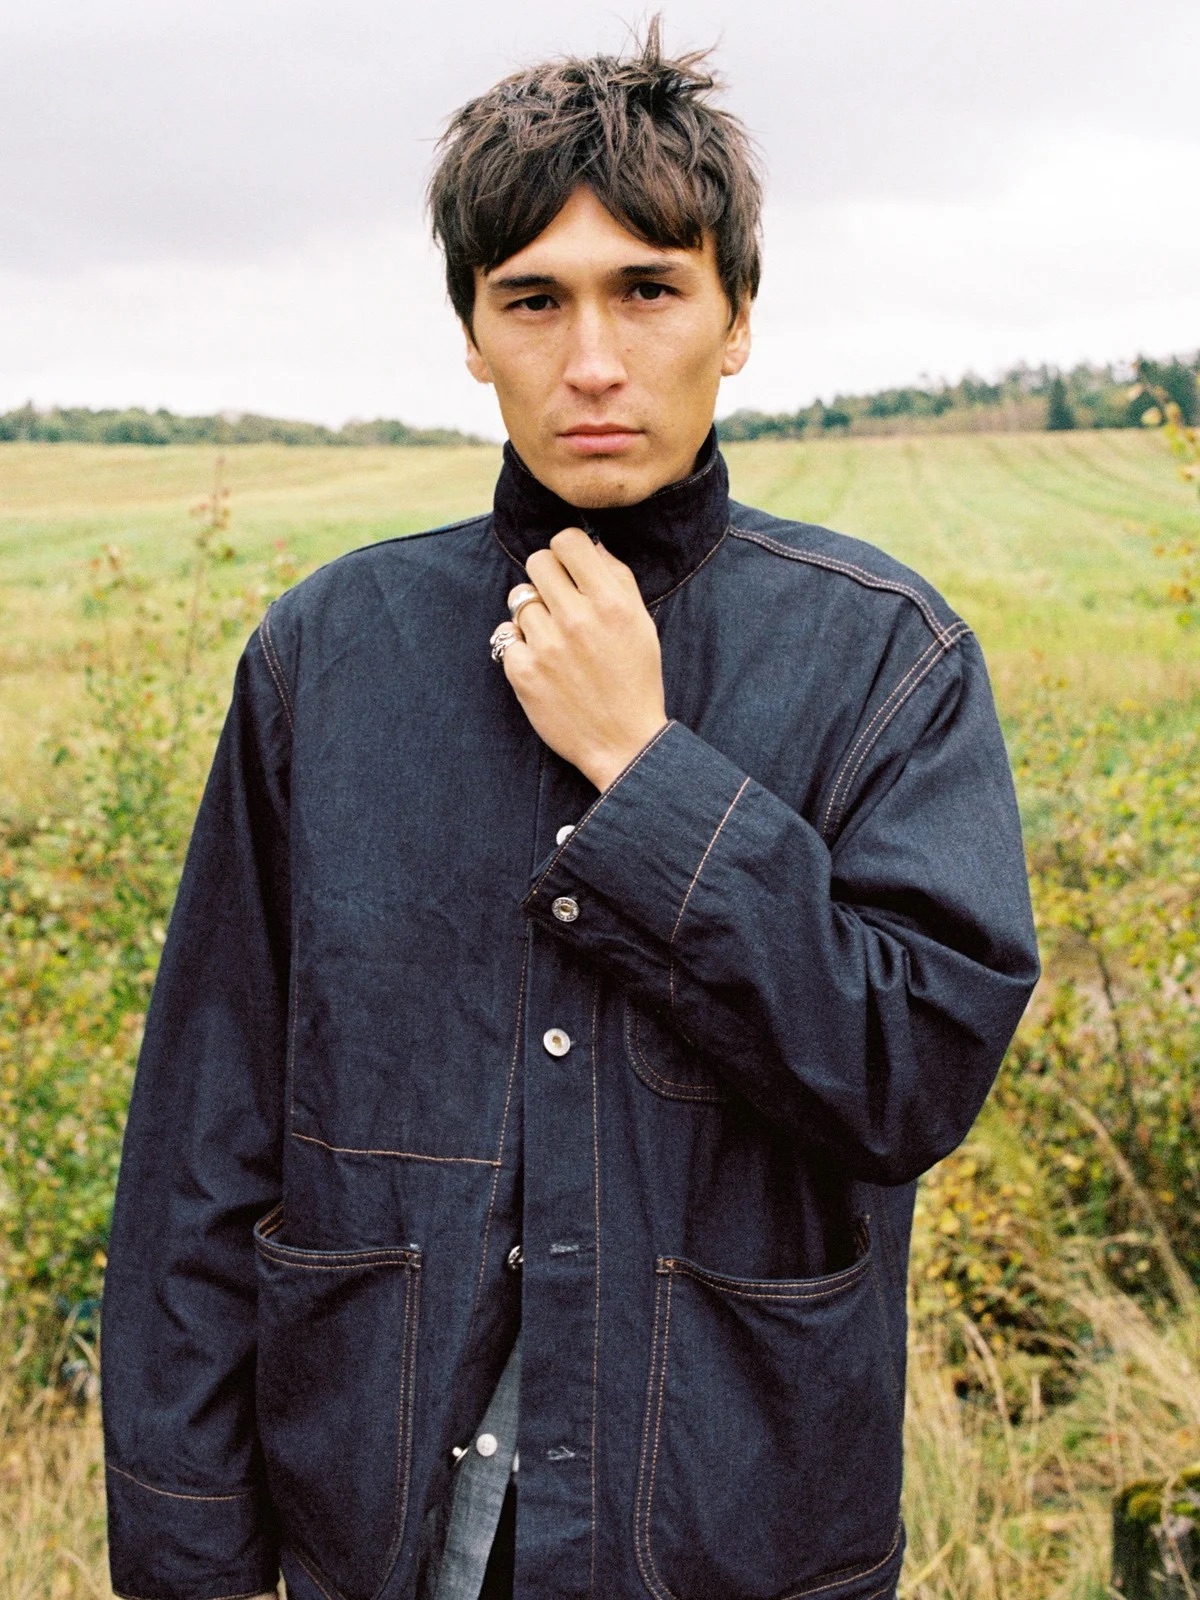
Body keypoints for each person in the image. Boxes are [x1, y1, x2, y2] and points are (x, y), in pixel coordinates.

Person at [101, 21, 1040, 1600]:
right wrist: (187, 1551)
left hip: (733, 1543)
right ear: (472, 332)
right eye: (533, 299)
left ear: (737, 317)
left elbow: (908, 1076)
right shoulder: (326, 658)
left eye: (648, 291)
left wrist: (650, 774)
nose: (591, 361)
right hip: (377, 1539)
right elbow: (204, 1150)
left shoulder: (886, 656)